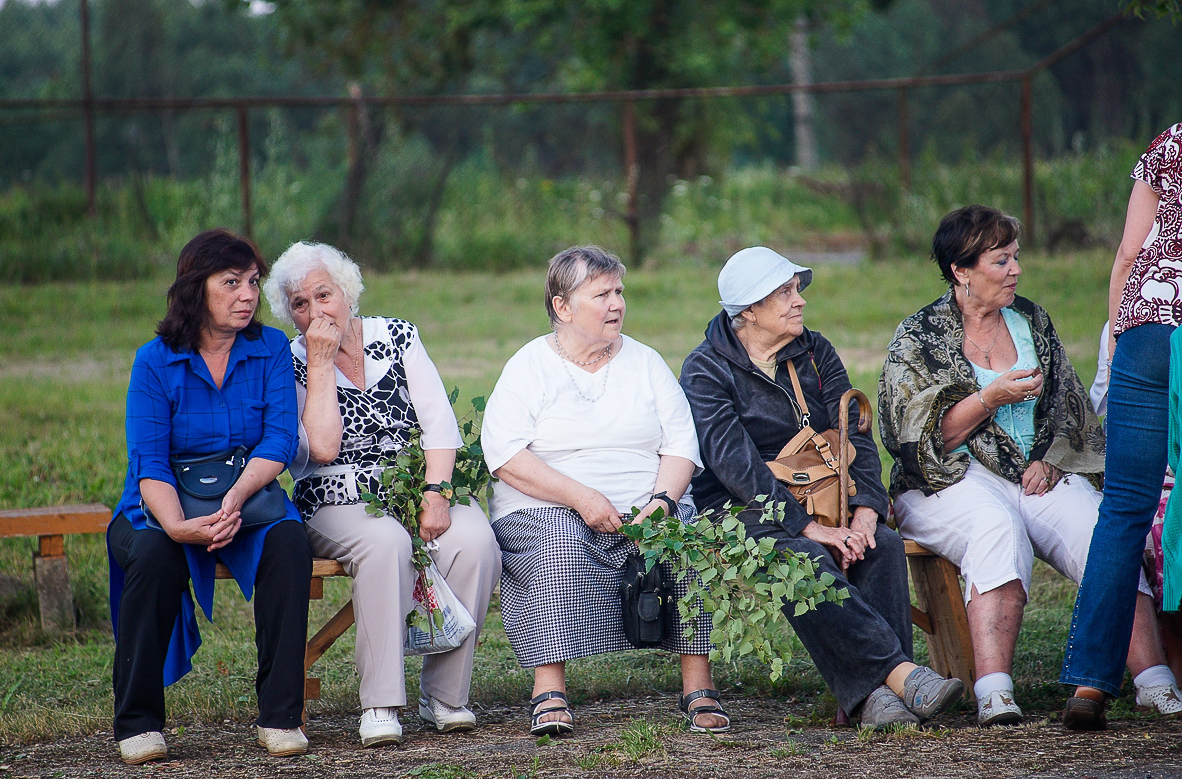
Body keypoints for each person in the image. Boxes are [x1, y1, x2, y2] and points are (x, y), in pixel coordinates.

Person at [878, 204, 1181, 728]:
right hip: (947, 478)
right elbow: (917, 440)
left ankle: (1153, 681)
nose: (1016, 269)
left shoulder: (1032, 321)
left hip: (1033, 472)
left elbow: (1070, 409)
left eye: (1016, 257)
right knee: (996, 528)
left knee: (1101, 532)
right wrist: (988, 398)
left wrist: (1052, 459)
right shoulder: (919, 337)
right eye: (1001, 260)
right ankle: (994, 692)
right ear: (961, 271)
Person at [681, 246, 964, 729]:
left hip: (826, 495)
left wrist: (868, 508)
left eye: (797, 290)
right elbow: (735, 465)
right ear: (748, 311)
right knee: (803, 559)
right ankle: (901, 678)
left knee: (882, 545)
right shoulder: (705, 369)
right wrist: (807, 527)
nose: (800, 302)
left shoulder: (814, 351)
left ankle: (876, 702)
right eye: (785, 293)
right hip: (737, 509)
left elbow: (854, 432)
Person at [481, 245, 728, 737]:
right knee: (557, 544)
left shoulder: (645, 361)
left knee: (683, 543)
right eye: (602, 294)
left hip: (648, 504)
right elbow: (506, 456)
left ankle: (697, 684)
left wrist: (660, 505)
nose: (617, 303)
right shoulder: (529, 366)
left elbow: (682, 444)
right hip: (548, 504)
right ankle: (548, 689)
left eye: (619, 291)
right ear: (562, 306)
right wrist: (581, 498)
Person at [263, 242, 501, 747]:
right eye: (300, 305)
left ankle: (445, 695)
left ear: (347, 291)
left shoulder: (396, 336)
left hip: (412, 483)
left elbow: (438, 423)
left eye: (323, 295)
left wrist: (436, 493)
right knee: (385, 543)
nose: (314, 311)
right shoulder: (291, 362)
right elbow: (321, 450)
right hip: (332, 498)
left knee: (476, 539)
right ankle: (380, 704)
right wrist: (322, 363)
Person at [107, 230, 312, 765]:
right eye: (232, 283)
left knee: (289, 544)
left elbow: (279, 440)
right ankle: (138, 723)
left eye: (252, 282)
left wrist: (239, 497)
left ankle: (280, 716)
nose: (248, 295)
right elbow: (148, 462)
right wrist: (177, 528)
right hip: (162, 502)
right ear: (196, 289)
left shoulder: (268, 348)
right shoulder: (154, 361)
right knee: (152, 554)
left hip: (248, 496)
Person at [1061, 123, 1182, 729]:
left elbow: (1130, 252)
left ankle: (1088, 684)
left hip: (1146, 330)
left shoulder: (1170, 143)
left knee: (1125, 505)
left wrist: (1117, 344)